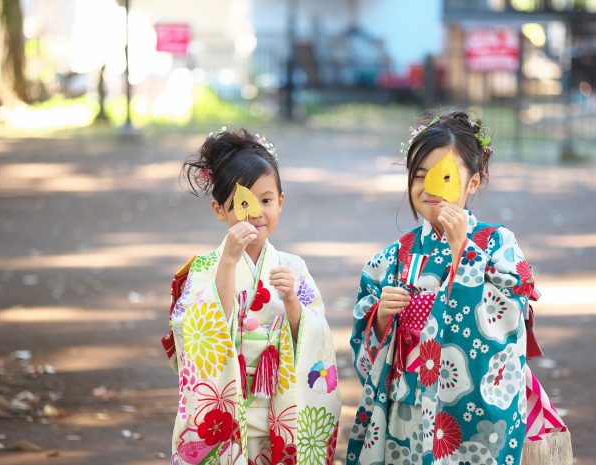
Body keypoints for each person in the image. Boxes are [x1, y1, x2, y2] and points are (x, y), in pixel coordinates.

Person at [347, 111, 571, 465]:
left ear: (473, 183)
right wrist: (380, 319)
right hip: (407, 408)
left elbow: (510, 322)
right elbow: (365, 343)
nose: (430, 188)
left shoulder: (498, 244)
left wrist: (462, 252)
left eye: (445, 177)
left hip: (475, 411)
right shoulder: (389, 259)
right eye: (419, 177)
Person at [162, 128, 341, 465]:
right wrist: (228, 261)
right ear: (220, 209)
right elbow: (198, 333)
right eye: (243, 203)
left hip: (281, 405)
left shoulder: (294, 267)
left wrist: (291, 302)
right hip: (225, 404)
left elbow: (315, 336)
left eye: (267, 200)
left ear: (281, 201)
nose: (257, 211)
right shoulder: (204, 268)